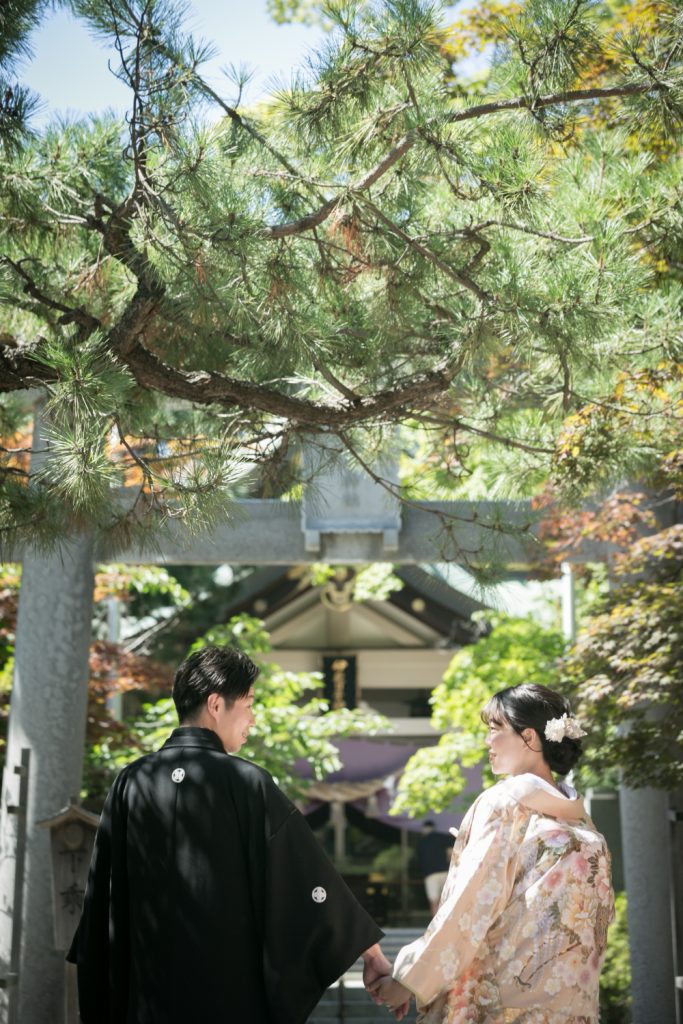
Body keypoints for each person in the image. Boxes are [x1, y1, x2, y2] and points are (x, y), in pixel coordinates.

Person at [67, 645, 398, 1024]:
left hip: (146, 1000)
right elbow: (308, 879)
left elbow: (103, 901)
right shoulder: (246, 782)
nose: (253, 720)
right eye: (249, 704)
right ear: (216, 704)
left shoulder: (130, 781)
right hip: (227, 999)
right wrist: (371, 955)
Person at [369, 683, 615, 1024]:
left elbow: (472, 900)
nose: (488, 741)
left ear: (529, 736)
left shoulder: (504, 802)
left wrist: (411, 980)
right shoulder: (580, 817)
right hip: (571, 1001)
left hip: (505, 999)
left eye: (495, 729)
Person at [416, 821, 454, 915]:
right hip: (446, 873)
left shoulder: (422, 842)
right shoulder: (444, 837)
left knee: (434, 902)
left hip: (430, 875)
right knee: (447, 900)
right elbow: (451, 854)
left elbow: (419, 861)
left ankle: (435, 927)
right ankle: (447, 925)